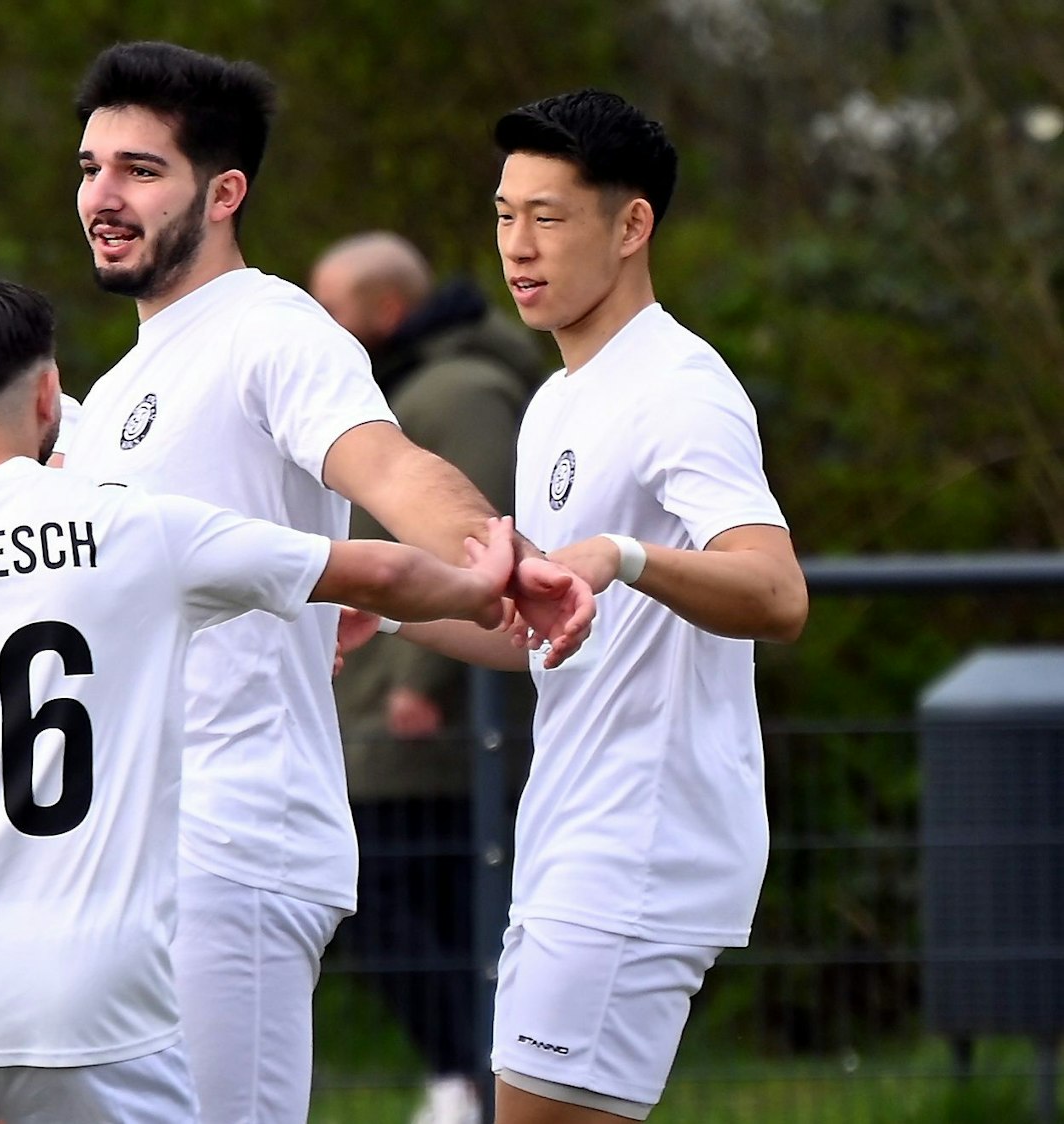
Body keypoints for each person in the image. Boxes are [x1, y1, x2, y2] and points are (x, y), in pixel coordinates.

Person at [0, 278, 518, 1123]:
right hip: (99, 998)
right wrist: (487, 584)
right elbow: (380, 569)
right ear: (48, 397)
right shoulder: (138, 529)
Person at [63, 40, 595, 1123]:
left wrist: (485, 551)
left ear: (224, 192)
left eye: (139, 169)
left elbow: (389, 466)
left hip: (234, 844)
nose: (102, 197)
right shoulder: (118, 382)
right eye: (89, 166)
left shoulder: (273, 329)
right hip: (115, 851)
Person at [407, 89, 808, 1122]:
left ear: (632, 226)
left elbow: (777, 591)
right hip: (576, 834)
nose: (518, 245)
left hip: (637, 846)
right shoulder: (558, 399)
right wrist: (378, 611)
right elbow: (548, 638)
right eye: (505, 214)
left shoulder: (679, 387)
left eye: (550, 215)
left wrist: (627, 556)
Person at [310, 230, 551, 1124]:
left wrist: (419, 678)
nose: (322, 325)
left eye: (333, 307)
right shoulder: (413, 390)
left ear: (386, 310)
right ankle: (471, 1078)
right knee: (423, 909)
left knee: (388, 898)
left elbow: (476, 544)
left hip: (426, 715)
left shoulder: (459, 394)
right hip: (397, 699)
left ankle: (471, 1079)